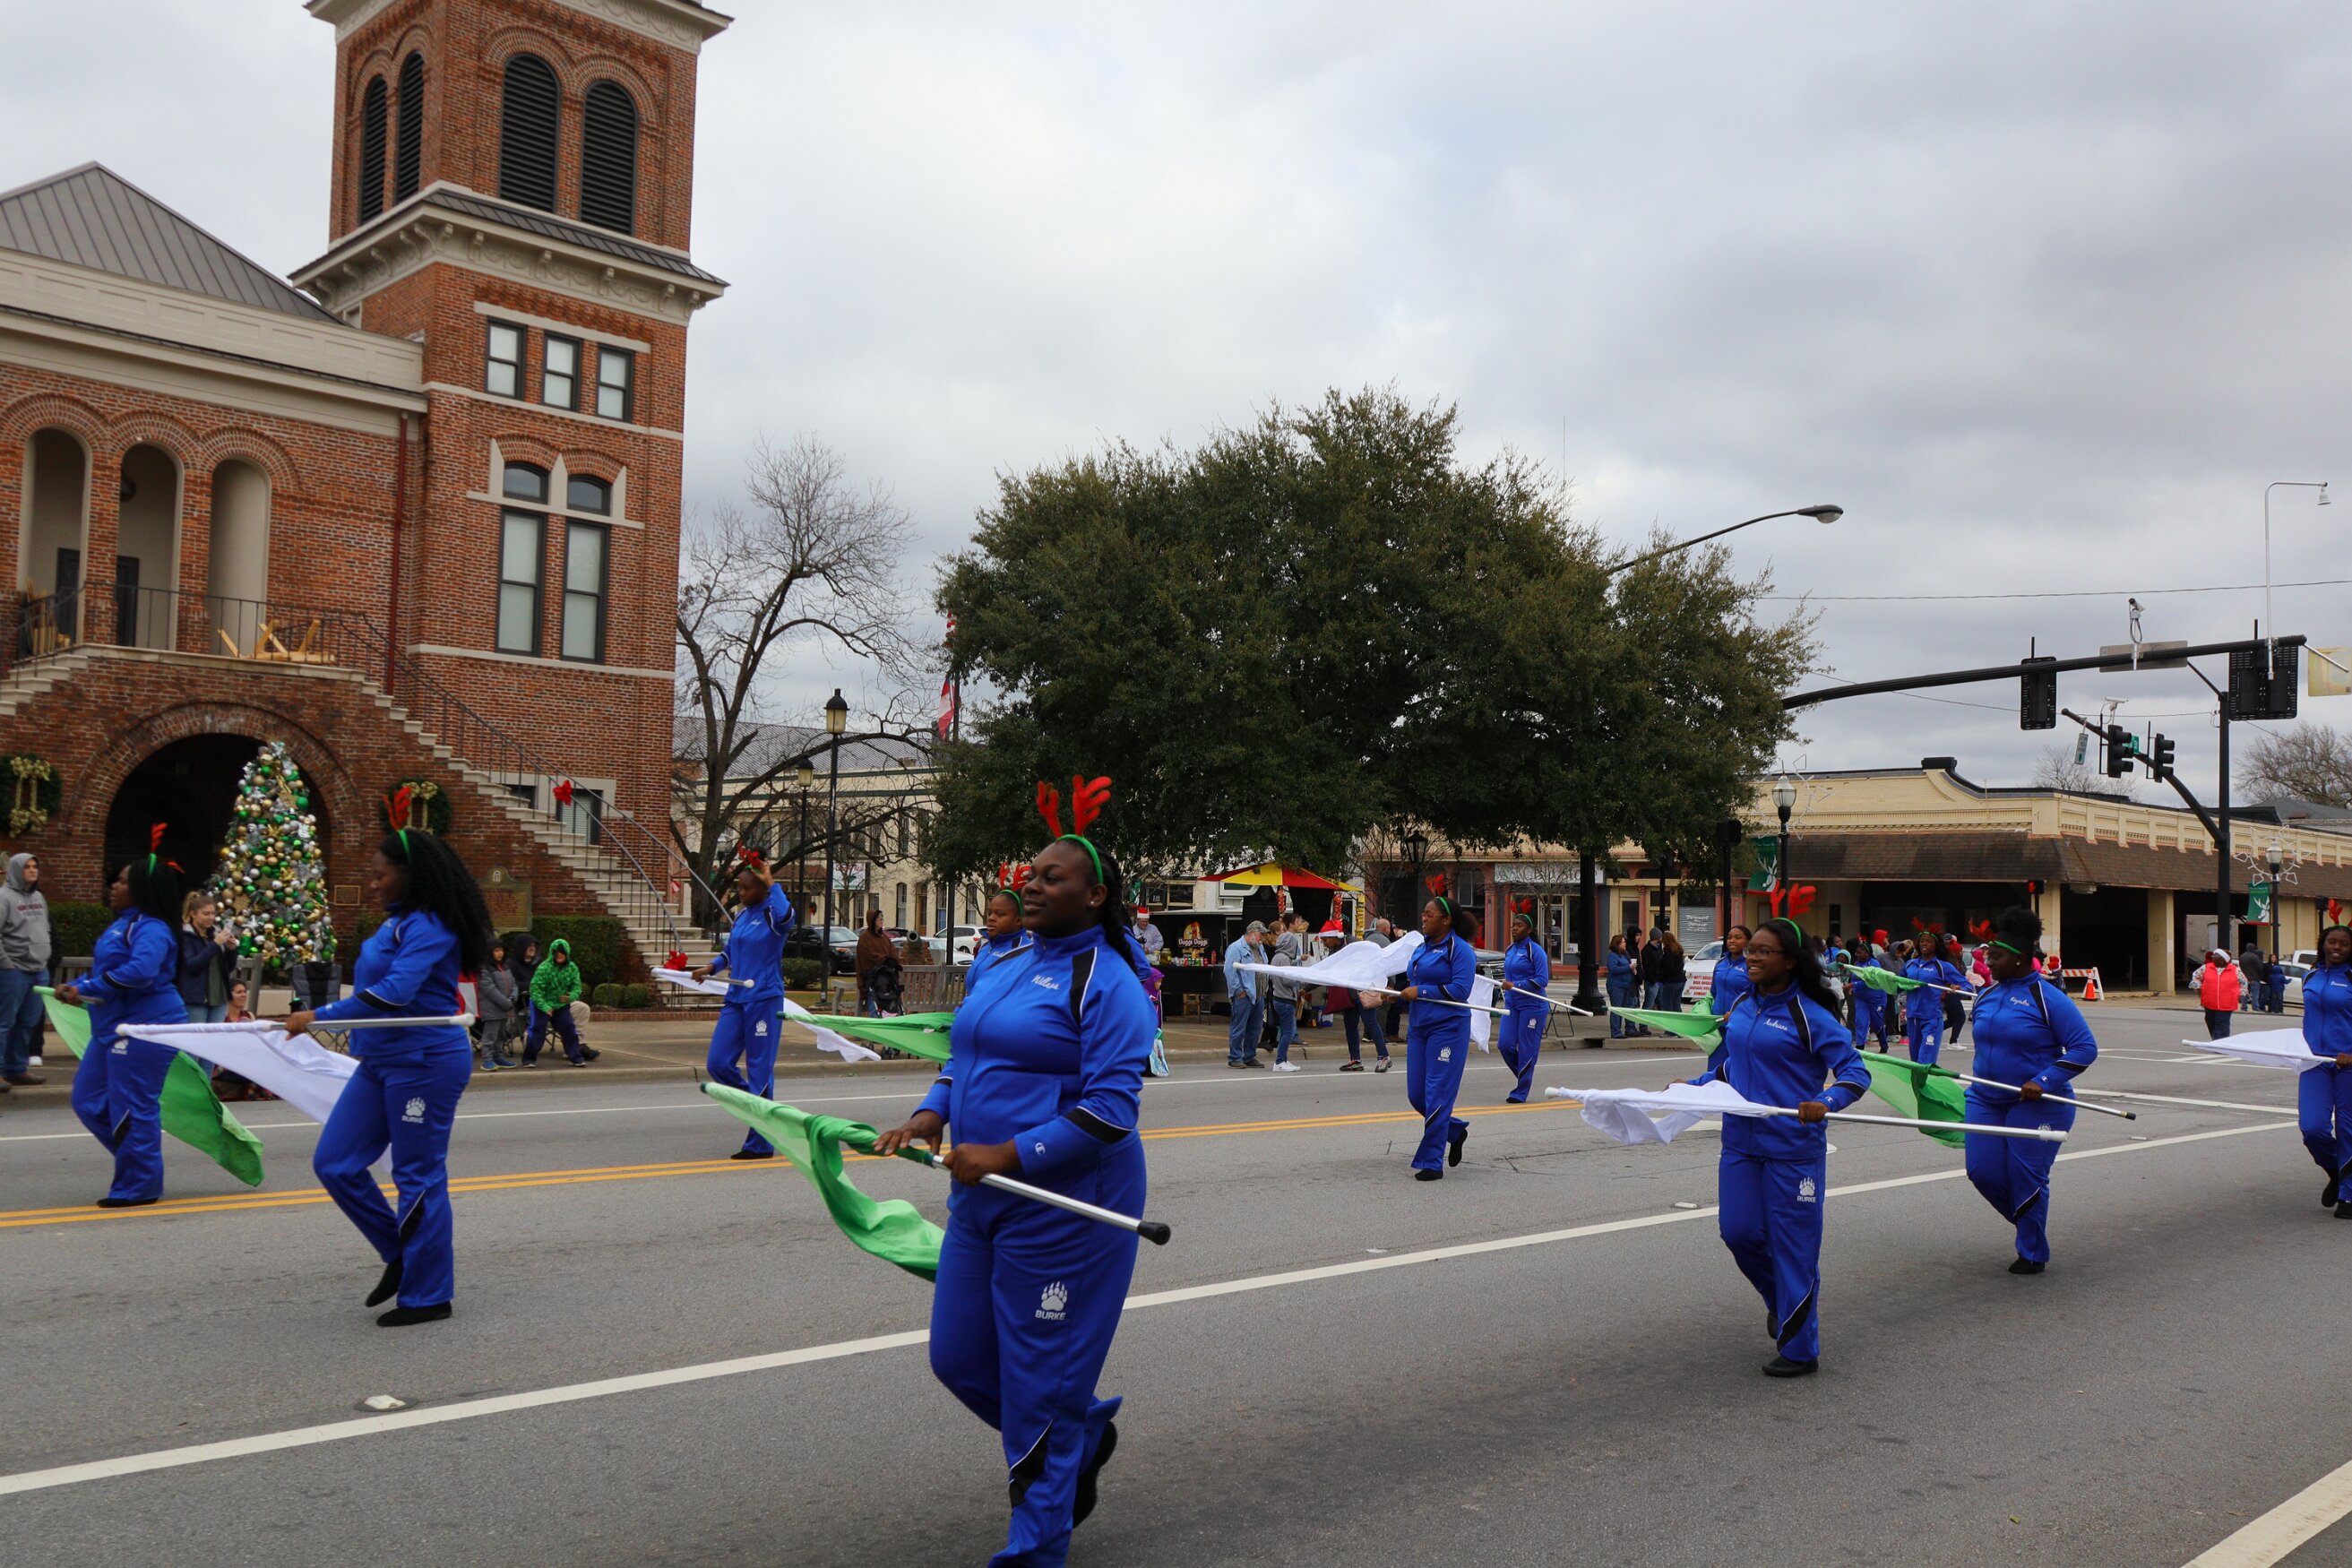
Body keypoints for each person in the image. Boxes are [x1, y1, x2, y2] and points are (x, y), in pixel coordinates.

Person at [872, 811, 1153, 1566]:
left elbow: (1110, 1112)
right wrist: (930, 1114)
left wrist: (1007, 1153)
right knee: (958, 1358)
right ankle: (1074, 1435)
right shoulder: (1004, 961)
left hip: (1066, 1209)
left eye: (1050, 878)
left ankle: (1035, 1547)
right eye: (1029, 874)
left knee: (1038, 1386)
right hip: (980, 1198)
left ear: (1094, 896)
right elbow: (964, 1055)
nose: (1030, 885)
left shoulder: (1110, 982)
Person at [288, 824, 494, 1328]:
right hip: (379, 1060)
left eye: (381, 875)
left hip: (424, 1061)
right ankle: (401, 1253)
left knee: (417, 1175)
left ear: (409, 874)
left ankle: (428, 1295)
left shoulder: (431, 925)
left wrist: (319, 1016)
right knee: (335, 1164)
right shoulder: (396, 923)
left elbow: (395, 993)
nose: (373, 883)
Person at [1683, 918, 1870, 1377]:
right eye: (1751, 949)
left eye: (1763, 951)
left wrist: (1826, 1101)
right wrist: (1691, 1087)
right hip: (1740, 1143)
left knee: (1793, 1248)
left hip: (1793, 1148)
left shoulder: (1812, 1016)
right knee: (1739, 1233)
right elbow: (1733, 1067)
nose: (1752, 956)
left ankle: (1801, 1349)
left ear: (1789, 961)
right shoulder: (1744, 1004)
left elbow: (1855, 1073)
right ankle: (1783, 1303)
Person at [1962, 908, 2098, 1274]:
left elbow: (2085, 1047)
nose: (1988, 962)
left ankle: (2032, 1249)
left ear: (2019, 958)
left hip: (2038, 1103)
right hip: (1985, 1097)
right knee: (1982, 1172)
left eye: (1996, 956)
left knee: (2026, 1178)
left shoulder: (2048, 997)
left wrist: (2044, 1080)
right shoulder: (1986, 994)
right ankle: (2027, 1216)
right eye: (1988, 955)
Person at [57, 849, 187, 1206]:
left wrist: (87, 988)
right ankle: (141, 1164)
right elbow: (107, 972)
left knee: (131, 1107)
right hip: (112, 1027)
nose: (113, 885)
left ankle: (139, 1185)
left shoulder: (152, 927)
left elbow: (141, 972)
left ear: (142, 889)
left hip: (147, 1026)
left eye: (122, 881)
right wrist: (77, 987)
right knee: (87, 1101)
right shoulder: (123, 925)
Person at [694, 857, 797, 1157]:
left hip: (764, 999)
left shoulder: (772, 915)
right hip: (736, 999)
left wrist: (772, 882)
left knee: (759, 1069)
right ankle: (757, 1106)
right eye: (739, 888)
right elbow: (730, 953)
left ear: (762, 890)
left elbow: (788, 918)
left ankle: (760, 1143)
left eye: (747, 888)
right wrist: (710, 968)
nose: (740, 893)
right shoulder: (741, 917)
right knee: (717, 1063)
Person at [1400, 892, 1478, 1180]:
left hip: (1448, 1028)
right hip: (1419, 1028)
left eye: (1429, 914)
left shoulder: (1460, 949)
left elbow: (1461, 990)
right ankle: (1454, 1131)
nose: (1423, 917)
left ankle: (1432, 1162)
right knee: (1417, 1095)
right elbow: (1413, 983)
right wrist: (1391, 996)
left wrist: (1421, 991)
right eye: (1423, 912)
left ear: (1446, 920)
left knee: (1437, 1095)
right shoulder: (1422, 947)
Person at [2296, 925, 2352, 1217]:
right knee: (2313, 1128)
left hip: (2348, 1065)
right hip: (2314, 1063)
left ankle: (2348, 1196)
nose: (2337, 948)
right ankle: (2337, 1171)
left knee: (2347, 1130)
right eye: (2332, 942)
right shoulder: (2311, 976)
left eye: (2344, 943)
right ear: (2323, 944)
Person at [0, 851, 51, 1086]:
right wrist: (6, 964)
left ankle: (16, 1069)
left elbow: (45, 928)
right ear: (15, 870)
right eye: (27, 867)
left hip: (39, 970)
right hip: (13, 971)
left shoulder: (39, 897)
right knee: (4, 1023)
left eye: (35, 866)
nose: (32, 870)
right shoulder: (4, 897)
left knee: (27, 1023)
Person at [1322, 920, 1391, 1073]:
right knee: (1350, 1026)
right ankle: (1355, 1059)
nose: (1324, 944)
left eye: (1326, 940)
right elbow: (1325, 973)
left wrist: (1387, 983)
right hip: (1349, 995)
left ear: (1335, 937)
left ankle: (1384, 1056)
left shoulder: (1354, 944)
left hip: (1362, 991)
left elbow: (1376, 961)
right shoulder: (1335, 951)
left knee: (1370, 1023)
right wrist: (1306, 988)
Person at [1498, 908, 1550, 1103]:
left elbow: (1542, 980)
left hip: (1533, 1005)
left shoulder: (1535, 951)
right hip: (1512, 1004)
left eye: (1519, 926)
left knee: (1527, 1049)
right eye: (1513, 925)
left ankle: (1521, 1091)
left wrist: (1516, 985)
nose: (1514, 928)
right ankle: (1524, 1075)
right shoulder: (1510, 950)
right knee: (1504, 1044)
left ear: (1529, 930)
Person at [522, 937, 593, 1066]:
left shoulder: (572, 968)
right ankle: (529, 1059)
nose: (559, 955)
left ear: (567, 953)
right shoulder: (544, 968)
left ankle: (576, 1057)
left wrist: (570, 997)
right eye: (557, 952)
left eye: (562, 952)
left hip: (561, 1004)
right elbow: (535, 990)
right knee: (537, 1029)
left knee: (569, 1028)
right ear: (552, 953)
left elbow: (576, 987)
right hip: (541, 1004)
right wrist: (545, 1007)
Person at [176, 892, 239, 1023]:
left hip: (219, 997)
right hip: (196, 998)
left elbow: (227, 968)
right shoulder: (186, 936)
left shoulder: (214, 934)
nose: (211, 918)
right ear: (193, 914)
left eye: (213, 913)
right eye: (206, 914)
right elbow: (192, 965)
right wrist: (215, 944)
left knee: (216, 1034)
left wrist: (231, 950)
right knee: (196, 1034)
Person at [1902, 938, 1964, 1064]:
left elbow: (1965, 984)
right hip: (1912, 1017)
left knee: (1925, 1061)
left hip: (1931, 1018)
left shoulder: (1942, 966)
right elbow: (1898, 984)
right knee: (1915, 1062)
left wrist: (1957, 987)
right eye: (1922, 941)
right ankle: (1919, 1079)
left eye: (1929, 941)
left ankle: (1925, 1077)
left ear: (1936, 946)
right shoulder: (1909, 964)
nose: (1924, 943)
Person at [1223, 920, 1267, 1069]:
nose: (1263, 938)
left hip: (1259, 994)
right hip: (1245, 995)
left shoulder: (1260, 948)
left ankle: (1249, 1056)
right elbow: (1229, 970)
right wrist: (1238, 991)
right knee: (1239, 1027)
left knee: (1255, 1028)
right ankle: (1234, 1058)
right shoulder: (1236, 948)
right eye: (1261, 934)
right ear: (1252, 933)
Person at [966, 888, 1032, 987]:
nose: (991, 918)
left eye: (999, 914)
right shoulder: (986, 946)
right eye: (990, 913)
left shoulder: (1025, 952)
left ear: (1018, 921)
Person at [473, 938, 520, 1072]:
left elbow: (514, 984)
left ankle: (498, 1056)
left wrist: (512, 998)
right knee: (490, 1036)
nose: (500, 953)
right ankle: (487, 1059)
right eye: (496, 950)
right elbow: (489, 989)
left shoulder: (505, 967)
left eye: (501, 950)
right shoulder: (484, 969)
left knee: (501, 1036)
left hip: (505, 1008)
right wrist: (506, 1002)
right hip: (492, 1008)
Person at [1264, 917, 1304, 1073]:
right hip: (1285, 998)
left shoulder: (1277, 957)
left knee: (1285, 1030)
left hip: (1279, 997)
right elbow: (1287, 980)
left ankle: (1284, 1059)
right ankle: (1280, 1061)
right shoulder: (1284, 959)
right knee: (1287, 1032)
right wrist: (1297, 976)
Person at [2194, 949, 2242, 1039]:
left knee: (2222, 1023)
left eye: (2216, 955)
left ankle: (2221, 1041)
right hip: (2209, 1001)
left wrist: (2240, 994)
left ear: (2223, 959)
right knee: (2210, 1021)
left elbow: (2243, 982)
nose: (2213, 957)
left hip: (2227, 1003)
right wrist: (2199, 988)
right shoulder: (2206, 968)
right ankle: (2216, 1039)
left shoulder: (2235, 970)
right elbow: (2196, 977)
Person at [856, 910, 895, 1016]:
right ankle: (875, 1019)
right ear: (872, 920)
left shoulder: (885, 938)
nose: (881, 919)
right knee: (873, 993)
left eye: (882, 917)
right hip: (872, 980)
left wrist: (891, 962)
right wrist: (884, 960)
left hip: (887, 981)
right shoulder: (865, 939)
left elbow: (893, 953)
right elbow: (869, 957)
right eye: (878, 917)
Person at [1709, 926, 1753, 1020]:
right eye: (1729, 938)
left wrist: (1737, 1014)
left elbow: (1756, 997)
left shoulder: (1751, 965)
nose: (1732, 941)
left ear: (1748, 942)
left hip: (1740, 1020)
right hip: (1718, 1020)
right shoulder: (1720, 963)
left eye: (1738, 938)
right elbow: (1714, 992)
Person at [1606, 933, 1641, 1038]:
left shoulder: (1625, 954)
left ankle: (1626, 1029)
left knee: (1625, 1009)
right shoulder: (1612, 955)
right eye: (1623, 942)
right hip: (1616, 986)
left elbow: (1629, 965)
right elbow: (1613, 969)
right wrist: (1629, 968)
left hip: (1627, 985)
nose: (1625, 944)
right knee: (1617, 1009)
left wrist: (1633, 970)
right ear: (1617, 944)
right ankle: (1616, 1032)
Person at [2239, 940, 2268, 1013]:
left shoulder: (2242, 956)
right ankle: (2255, 1007)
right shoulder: (2255, 957)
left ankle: (2243, 1007)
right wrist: (2260, 976)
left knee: (2245, 993)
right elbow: (2259, 968)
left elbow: (2241, 967)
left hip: (2245, 978)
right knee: (2255, 994)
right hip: (2254, 978)